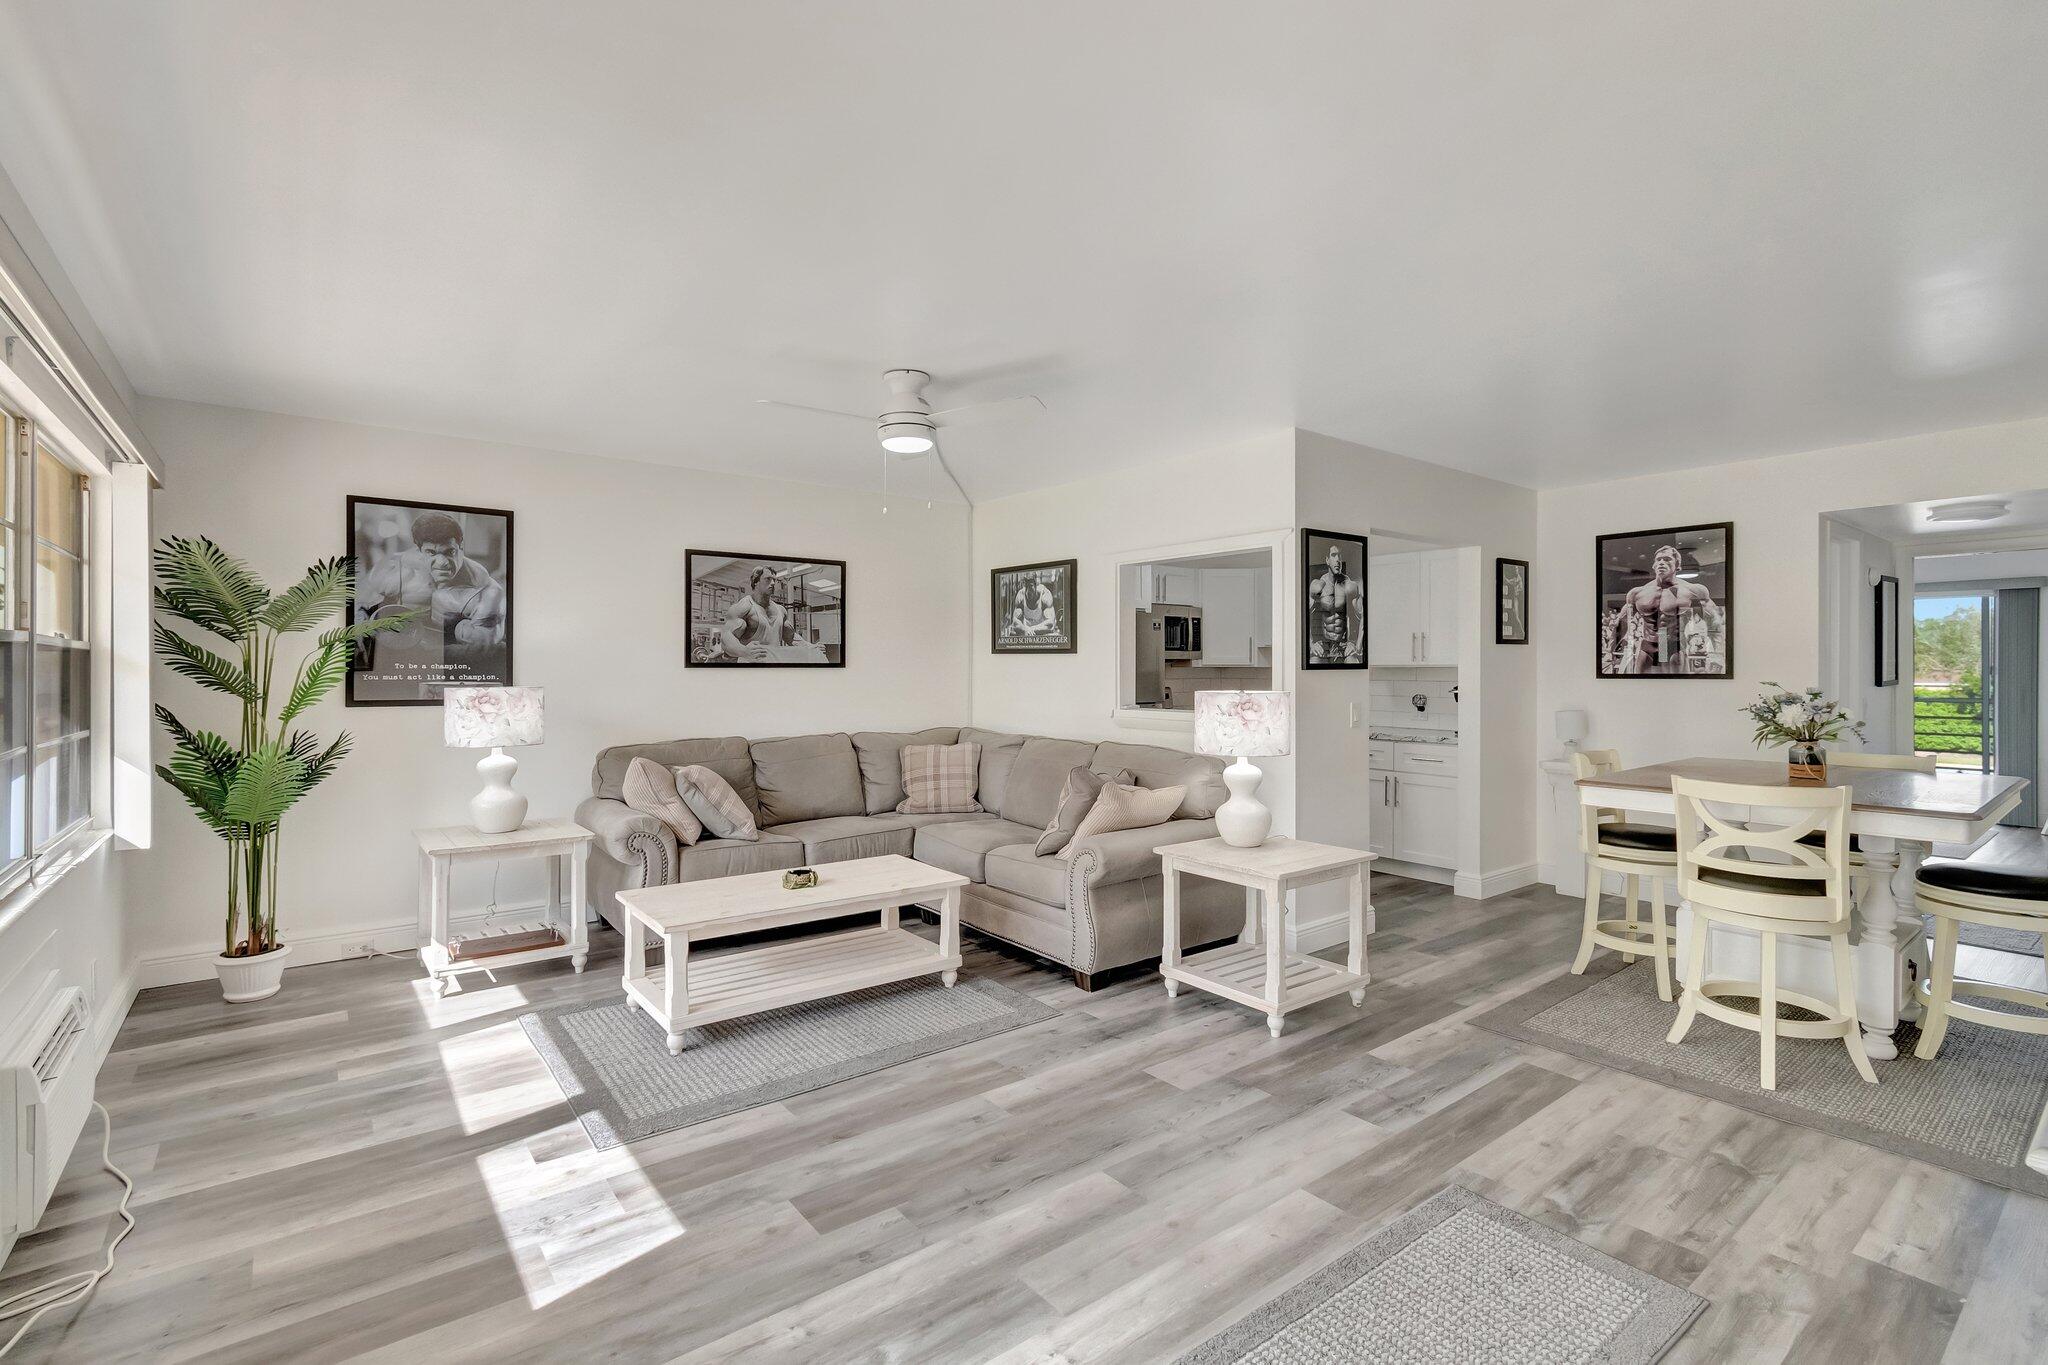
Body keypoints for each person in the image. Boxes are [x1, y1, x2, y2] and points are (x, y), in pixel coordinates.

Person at [355, 510, 507, 683]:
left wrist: (453, 627)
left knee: (500, 652)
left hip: (448, 659)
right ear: (419, 550)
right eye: (431, 553)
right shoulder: (395, 570)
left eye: (450, 552)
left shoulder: (485, 589)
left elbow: (485, 640)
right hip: (395, 653)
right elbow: (359, 606)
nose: (442, 563)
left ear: (461, 547)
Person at [1616, 544, 1722, 675]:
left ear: (1678, 565)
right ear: (1653, 565)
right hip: (1648, 647)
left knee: (1678, 689)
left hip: (1674, 647)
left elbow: (1715, 623)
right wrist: (1610, 651)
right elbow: (1621, 623)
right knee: (1641, 688)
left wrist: (1717, 654)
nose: (1661, 563)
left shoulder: (1693, 590)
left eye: (1667, 559)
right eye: (1658, 560)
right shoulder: (1637, 593)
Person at [718, 566, 790, 661]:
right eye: (768, 579)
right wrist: (744, 651)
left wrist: (813, 647)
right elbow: (726, 638)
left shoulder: (781, 610)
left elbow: (792, 637)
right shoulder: (744, 607)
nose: (772, 583)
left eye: (774, 580)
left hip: (774, 665)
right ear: (756, 582)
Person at [1307, 542, 1363, 663]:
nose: (1337, 560)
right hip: (1324, 644)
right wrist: (1311, 644)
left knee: (1354, 663)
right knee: (1312, 663)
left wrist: (1357, 646)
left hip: (1344, 644)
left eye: (1340, 556)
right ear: (1327, 560)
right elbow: (1302, 617)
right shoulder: (1318, 586)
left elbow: (1364, 616)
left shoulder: (1350, 586)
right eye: (1334, 555)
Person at [1011, 571, 1060, 637]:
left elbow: (1050, 624)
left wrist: (1031, 629)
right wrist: (1026, 629)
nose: (1028, 591)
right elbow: (1015, 623)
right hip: (1027, 631)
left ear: (1036, 585)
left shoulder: (1045, 595)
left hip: (1043, 632)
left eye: (1031, 586)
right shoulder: (1021, 595)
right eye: (1026, 586)